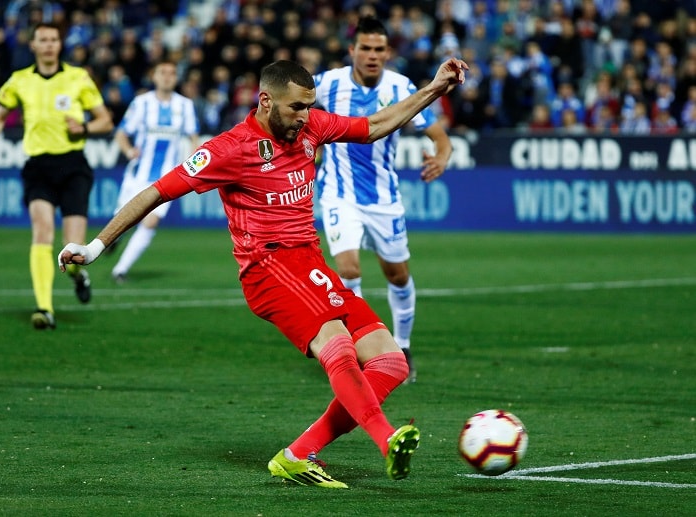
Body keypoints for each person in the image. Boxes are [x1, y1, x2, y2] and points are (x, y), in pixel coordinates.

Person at [59, 58, 467, 488]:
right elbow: (156, 192)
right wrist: (95, 246)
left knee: (390, 361)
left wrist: (434, 88)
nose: (305, 116)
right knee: (339, 346)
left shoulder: (310, 127)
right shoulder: (230, 148)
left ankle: (298, 454)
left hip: (310, 265)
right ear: (266, 100)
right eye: (296, 107)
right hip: (268, 269)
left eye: (309, 106)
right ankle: (387, 440)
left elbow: (375, 125)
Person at [313, 17, 455, 384]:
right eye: (366, 48)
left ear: (388, 52)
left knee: (398, 275)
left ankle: (403, 346)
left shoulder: (400, 86)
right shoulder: (327, 83)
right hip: (338, 193)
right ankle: (361, 347)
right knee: (348, 270)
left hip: (384, 199)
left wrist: (442, 156)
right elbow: (289, 104)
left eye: (379, 49)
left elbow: (439, 136)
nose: (372, 55)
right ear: (352, 50)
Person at [0, 22, 113, 330]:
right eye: (43, 40)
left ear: (60, 45)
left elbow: (105, 120)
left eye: (53, 39)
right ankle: (45, 309)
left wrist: (84, 127)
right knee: (42, 232)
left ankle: (78, 274)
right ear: (33, 45)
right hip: (38, 166)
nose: (48, 44)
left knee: (72, 244)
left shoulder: (78, 78)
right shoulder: (19, 80)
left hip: (73, 166)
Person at [109, 60, 200, 284]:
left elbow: (193, 137)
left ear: (176, 78)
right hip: (138, 174)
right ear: (155, 77)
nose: (167, 76)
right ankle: (115, 238)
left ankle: (120, 270)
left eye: (172, 73)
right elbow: (121, 133)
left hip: (167, 177)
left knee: (150, 221)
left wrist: (192, 161)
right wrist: (128, 151)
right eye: (163, 72)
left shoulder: (185, 105)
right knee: (123, 219)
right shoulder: (141, 103)